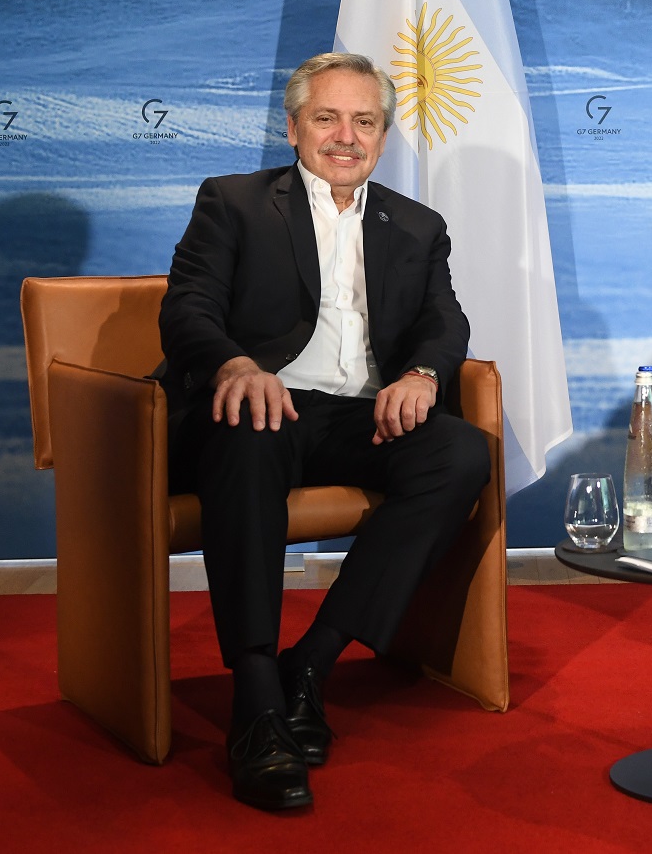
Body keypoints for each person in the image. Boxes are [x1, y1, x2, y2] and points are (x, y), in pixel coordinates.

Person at [159, 51, 489, 810]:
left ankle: (313, 660)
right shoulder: (235, 202)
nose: (346, 135)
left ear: (383, 134)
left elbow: (446, 319)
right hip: (259, 404)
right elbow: (187, 309)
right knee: (250, 428)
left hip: (357, 416)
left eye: (364, 121)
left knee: (461, 451)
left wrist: (423, 376)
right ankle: (257, 702)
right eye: (328, 118)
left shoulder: (416, 223)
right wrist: (236, 364)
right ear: (294, 126)